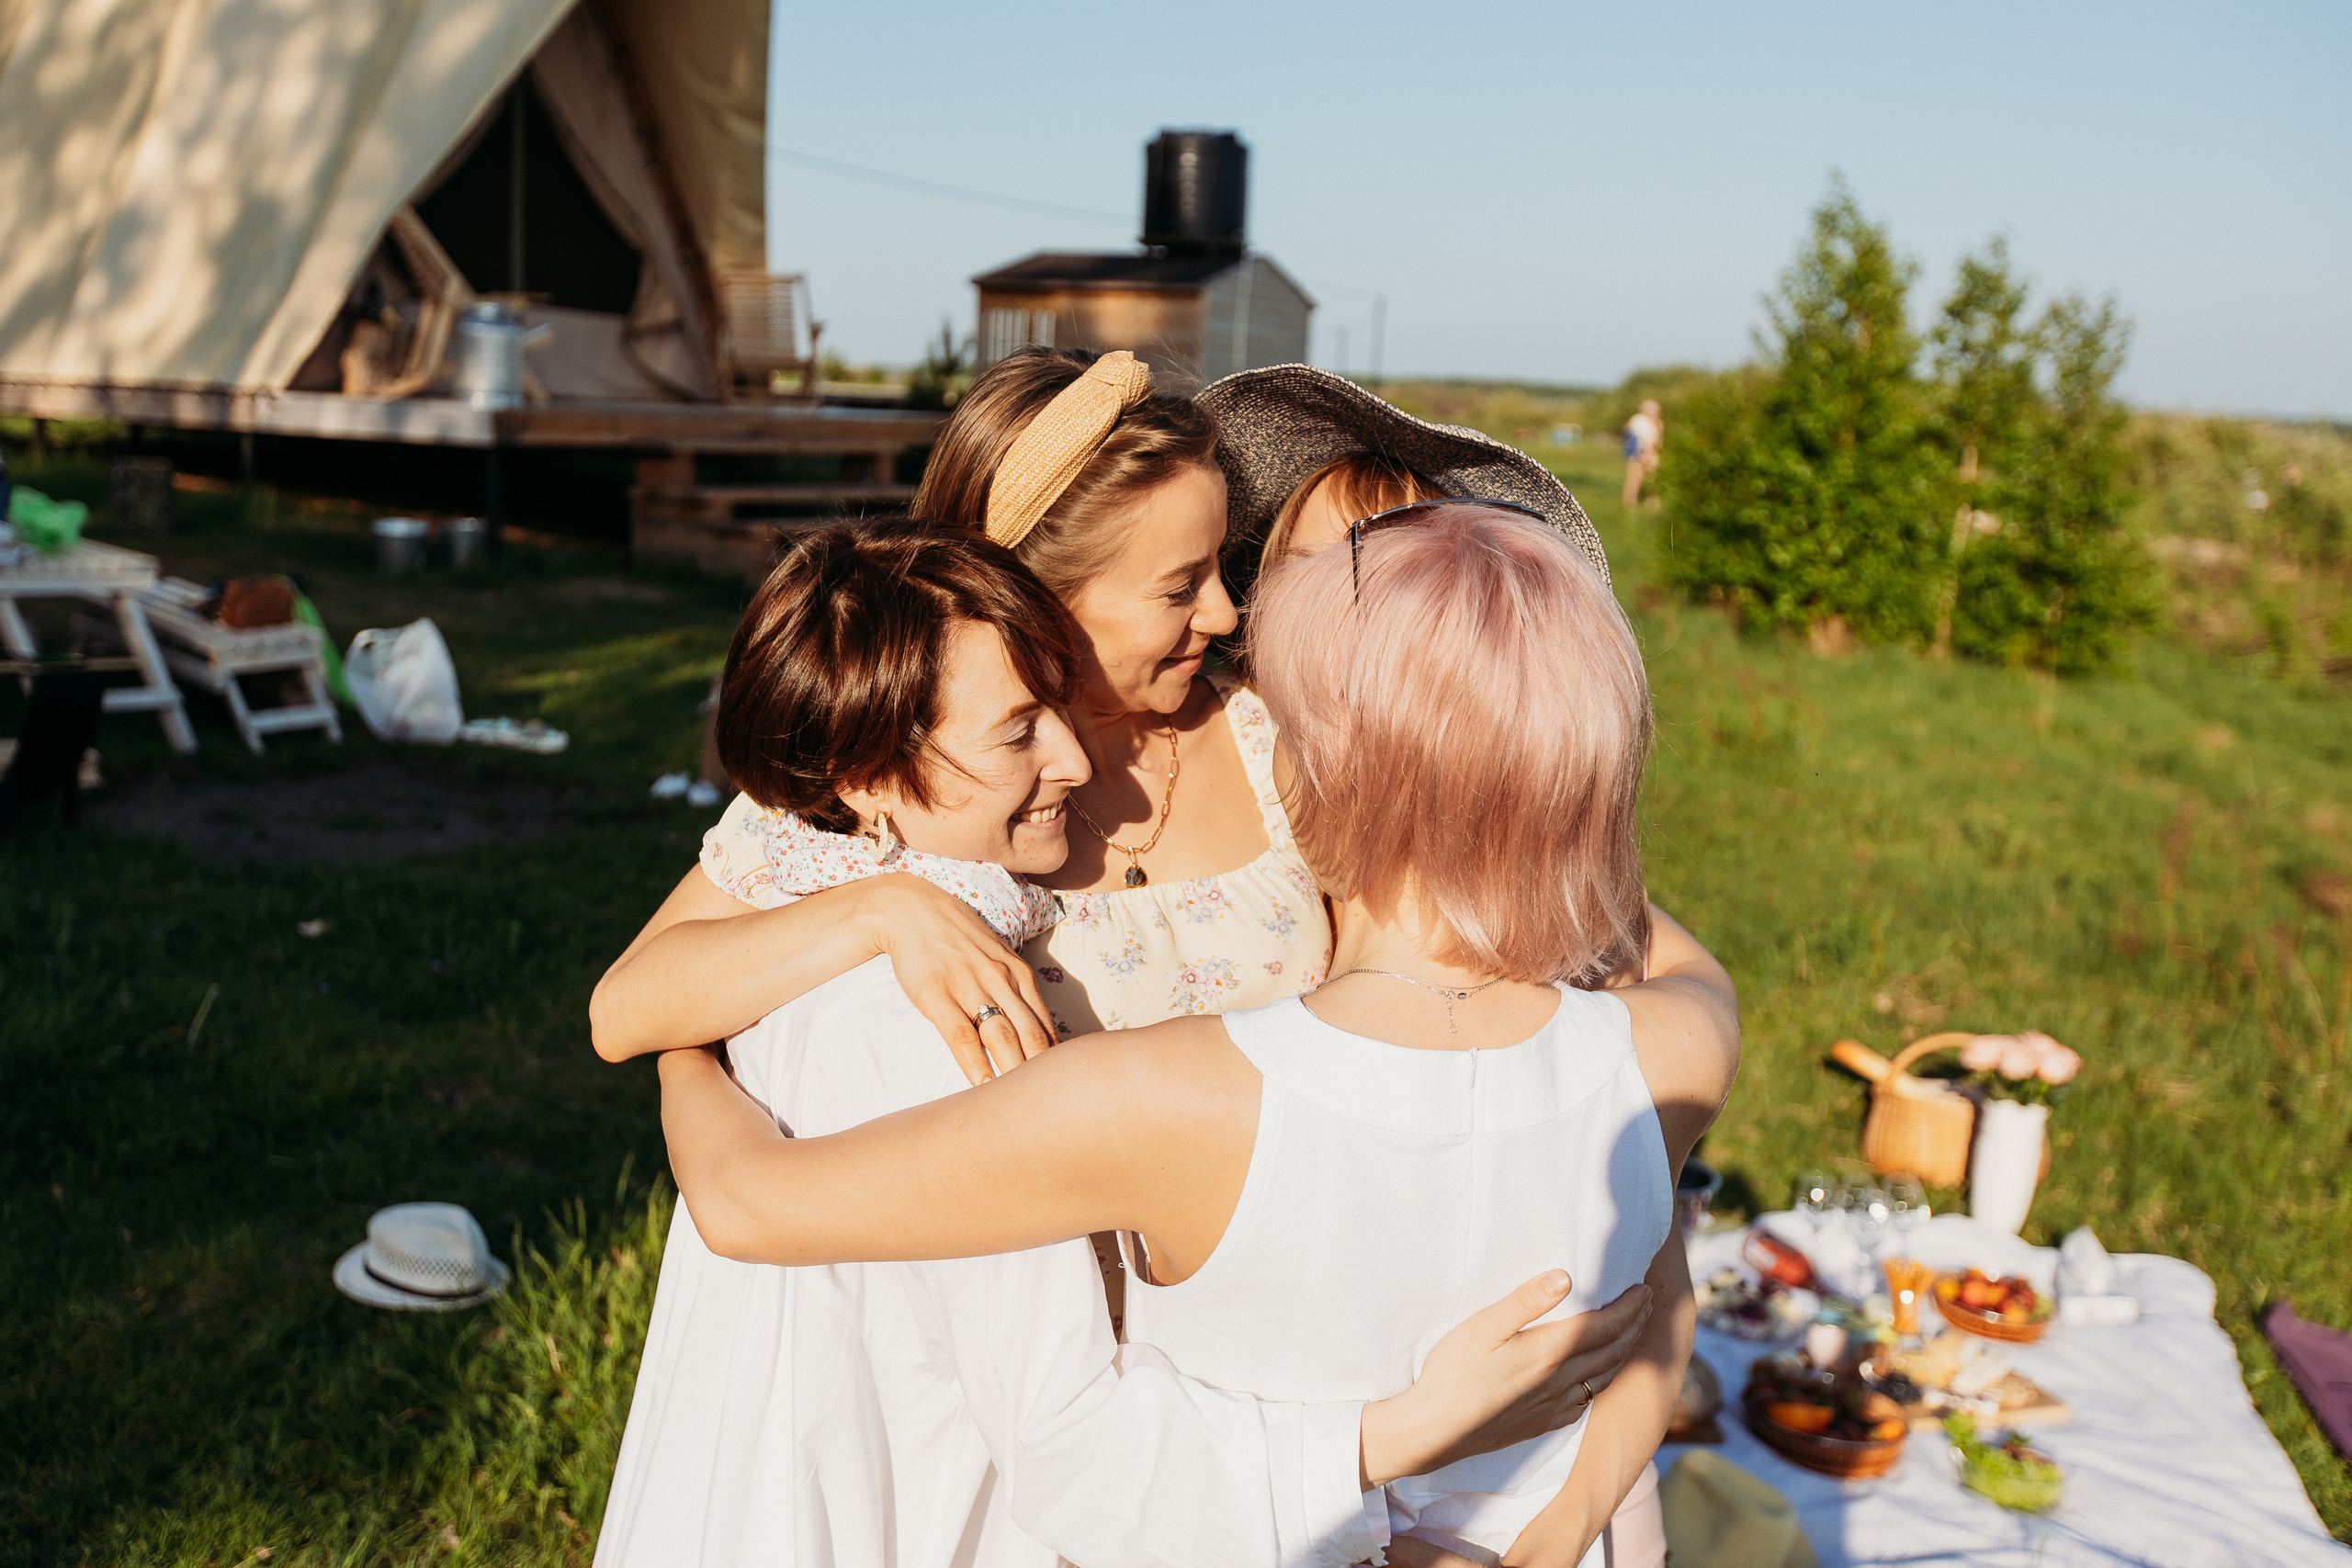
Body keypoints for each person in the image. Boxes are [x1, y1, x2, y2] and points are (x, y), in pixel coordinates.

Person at [658, 505, 1741, 1568]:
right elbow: (1675, 963)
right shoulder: (1682, 1046)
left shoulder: (1152, 1096)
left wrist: (688, 1050)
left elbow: (746, 1204)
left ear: (1326, 780)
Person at [1620, 400, 1662, 511]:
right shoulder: (1637, 420)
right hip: (1637, 454)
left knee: (1653, 480)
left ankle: (1652, 504)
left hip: (1653, 454)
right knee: (1634, 479)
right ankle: (1629, 504)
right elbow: (1631, 438)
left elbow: (1659, 440)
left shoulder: (1658, 423)